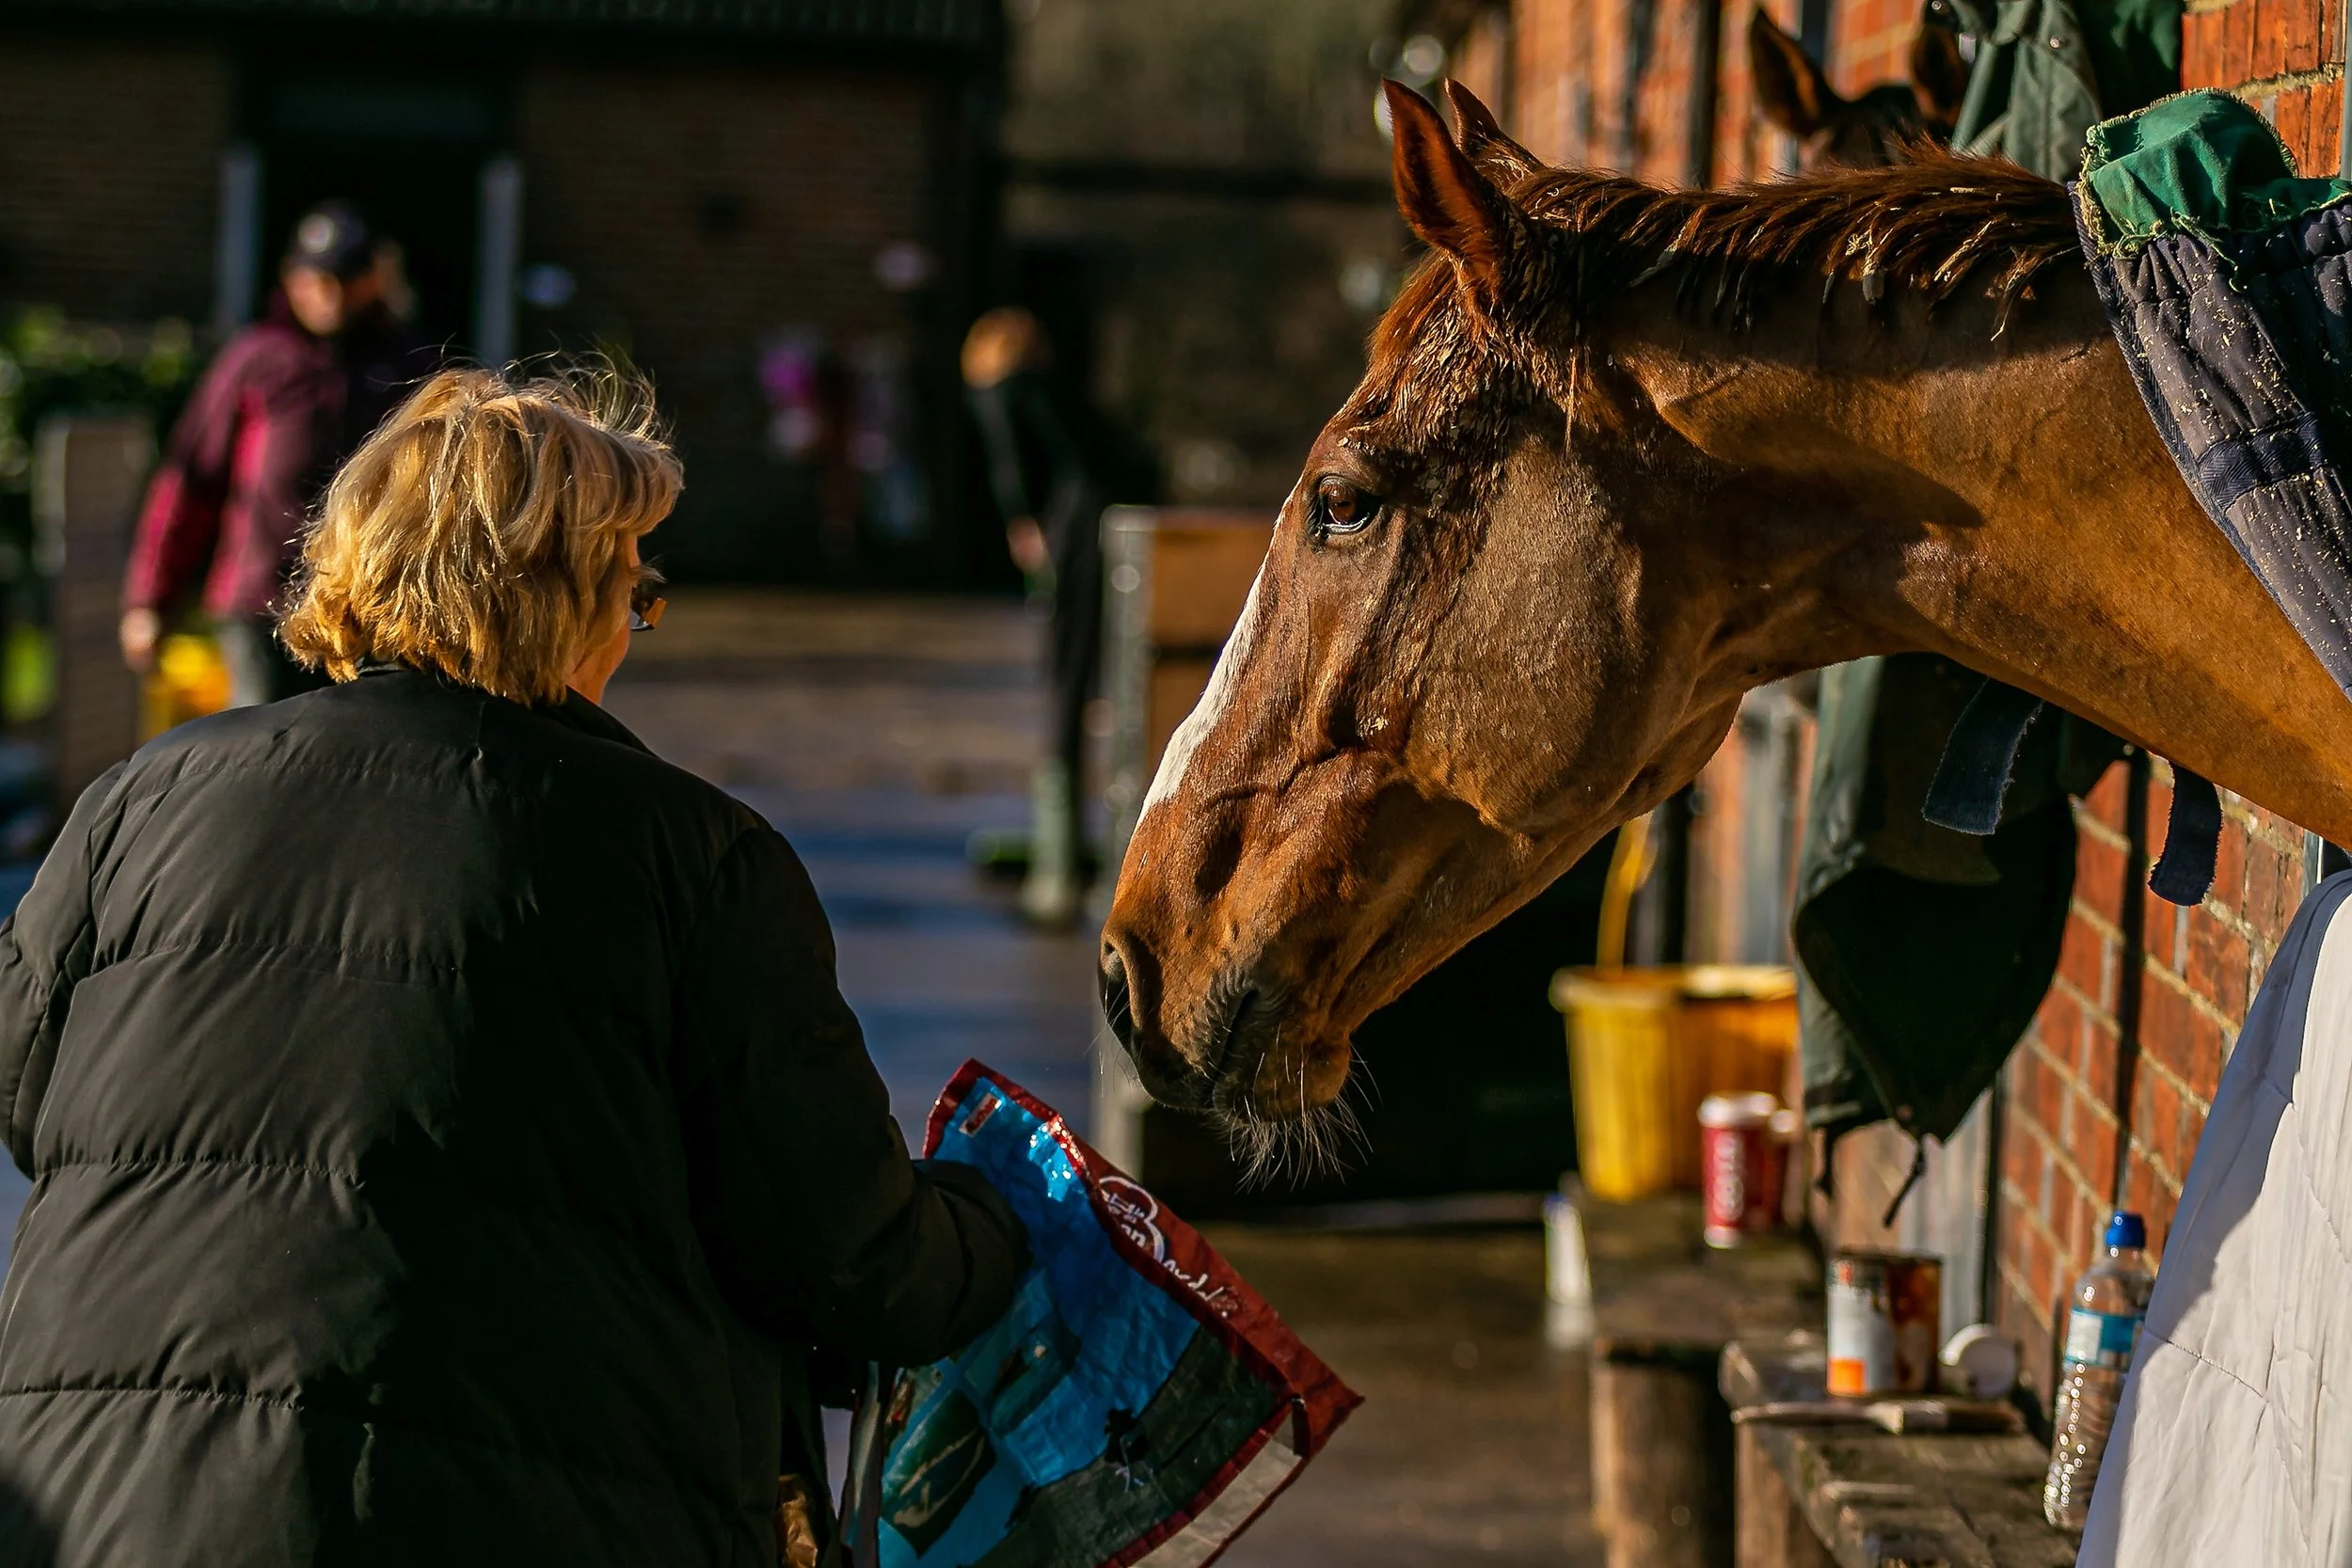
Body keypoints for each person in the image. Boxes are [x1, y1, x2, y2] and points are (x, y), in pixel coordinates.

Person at [0, 367, 1025, 1564]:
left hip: (93, 1512)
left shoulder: (140, 799)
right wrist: (1002, 1225)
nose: (630, 635)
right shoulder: (691, 859)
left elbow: (32, 1095)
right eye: (634, 591)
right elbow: (845, 1252)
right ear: (570, 595)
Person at [120, 200, 437, 708]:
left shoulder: (409, 365)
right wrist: (151, 600)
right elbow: (192, 480)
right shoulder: (257, 358)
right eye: (316, 278)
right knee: (260, 745)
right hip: (260, 603)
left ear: (375, 279)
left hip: (368, 608)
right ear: (292, 278)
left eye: (346, 276)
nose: (329, 294)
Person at [961, 309, 1131, 927]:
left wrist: (1022, 521)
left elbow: (1009, 462)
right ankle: (1075, 849)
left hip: (1071, 526)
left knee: (1066, 676)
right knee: (1097, 670)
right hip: (1103, 516)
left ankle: (1058, 869)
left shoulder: (999, 389)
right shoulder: (1053, 389)